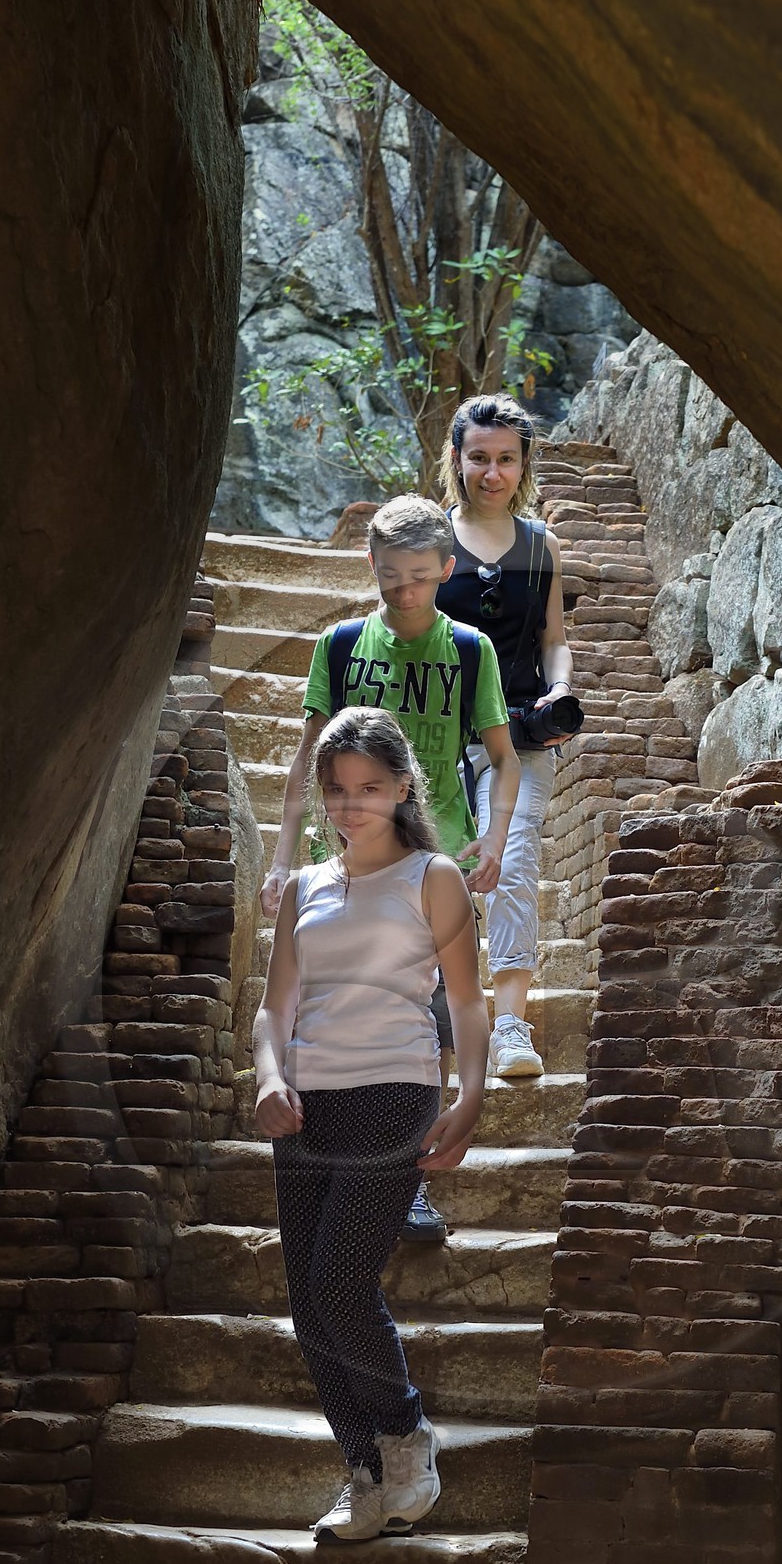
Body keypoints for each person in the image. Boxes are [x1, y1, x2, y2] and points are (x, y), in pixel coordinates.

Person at [251, 708, 489, 1543]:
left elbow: (465, 1000)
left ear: (400, 790)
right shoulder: (308, 890)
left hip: (395, 1093)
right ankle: (365, 1474)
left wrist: (470, 1098)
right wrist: (270, 1076)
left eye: (370, 789)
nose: (351, 806)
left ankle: (405, 1434)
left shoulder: (433, 877)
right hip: (306, 1104)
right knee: (307, 1307)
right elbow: (273, 1009)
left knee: (340, 1286)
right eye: (337, 791)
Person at [260, 493, 519, 1244]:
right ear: (369, 566)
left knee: (429, 1011)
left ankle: (402, 1179)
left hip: (437, 860)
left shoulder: (472, 651)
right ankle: (326, 1159)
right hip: (339, 861)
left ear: (446, 568)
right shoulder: (341, 645)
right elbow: (309, 761)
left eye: (417, 575)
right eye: (388, 575)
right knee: (324, 1005)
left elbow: (503, 758)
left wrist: (497, 838)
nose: (401, 590)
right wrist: (284, 859)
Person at [436, 392, 575, 1081]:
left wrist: (560, 689)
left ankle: (511, 1027)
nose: (493, 473)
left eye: (506, 460)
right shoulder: (428, 542)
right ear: (456, 459)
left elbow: (554, 640)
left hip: (520, 736)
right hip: (439, 738)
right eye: (479, 458)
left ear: (524, 465)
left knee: (513, 862)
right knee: (450, 876)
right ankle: (442, 1021)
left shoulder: (540, 544)